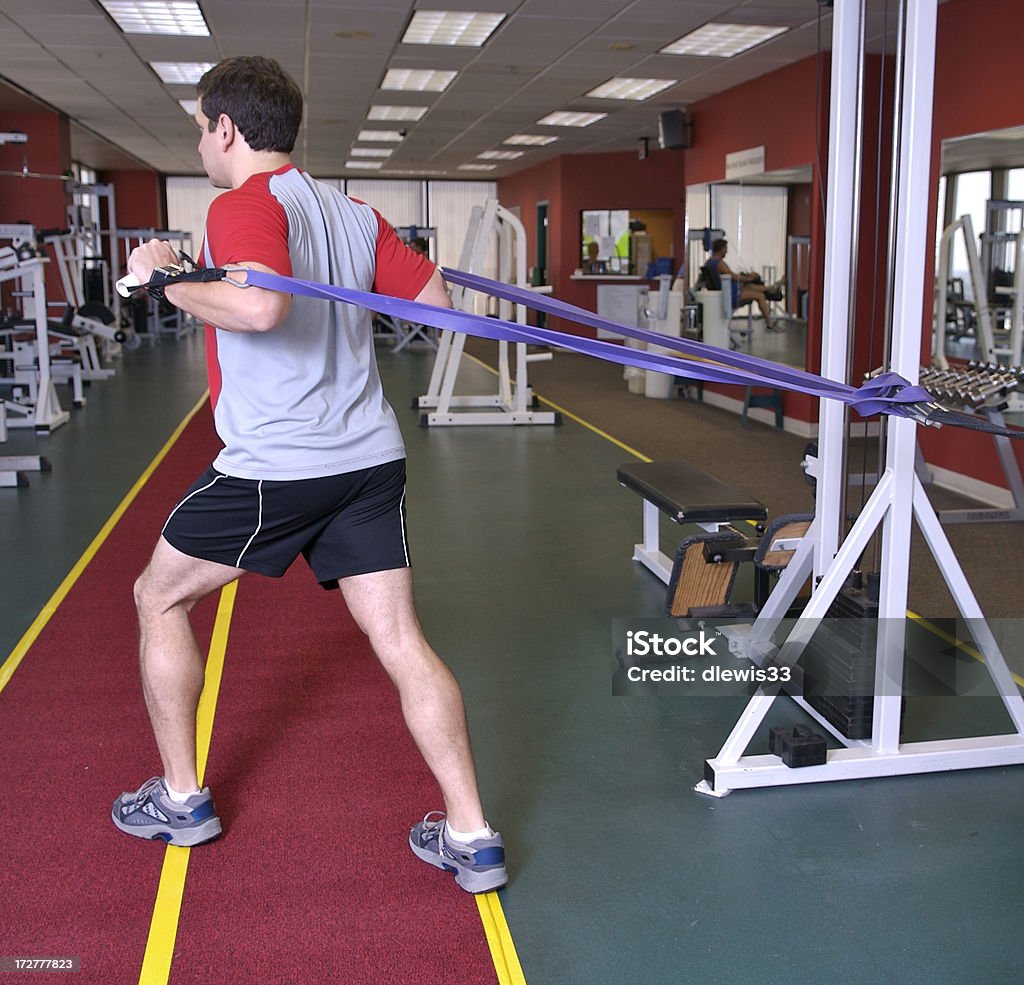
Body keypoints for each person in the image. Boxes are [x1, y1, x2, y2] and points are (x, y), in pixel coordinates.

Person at [110, 55, 506, 896]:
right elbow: (443, 311)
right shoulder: (352, 212)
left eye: (201, 130)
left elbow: (259, 307)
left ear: (225, 129)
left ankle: (182, 799)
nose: (202, 144)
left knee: (158, 594)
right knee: (401, 640)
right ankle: (472, 835)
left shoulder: (241, 204)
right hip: (368, 459)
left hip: (279, 465)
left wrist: (164, 282)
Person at [704, 238, 784, 330]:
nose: (726, 251)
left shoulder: (709, 262)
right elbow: (733, 277)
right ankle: (769, 323)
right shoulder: (719, 263)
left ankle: (771, 288)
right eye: (725, 249)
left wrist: (747, 277)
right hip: (731, 295)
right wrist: (748, 278)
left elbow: (730, 276)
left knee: (750, 286)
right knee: (760, 296)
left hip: (729, 290)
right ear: (721, 249)